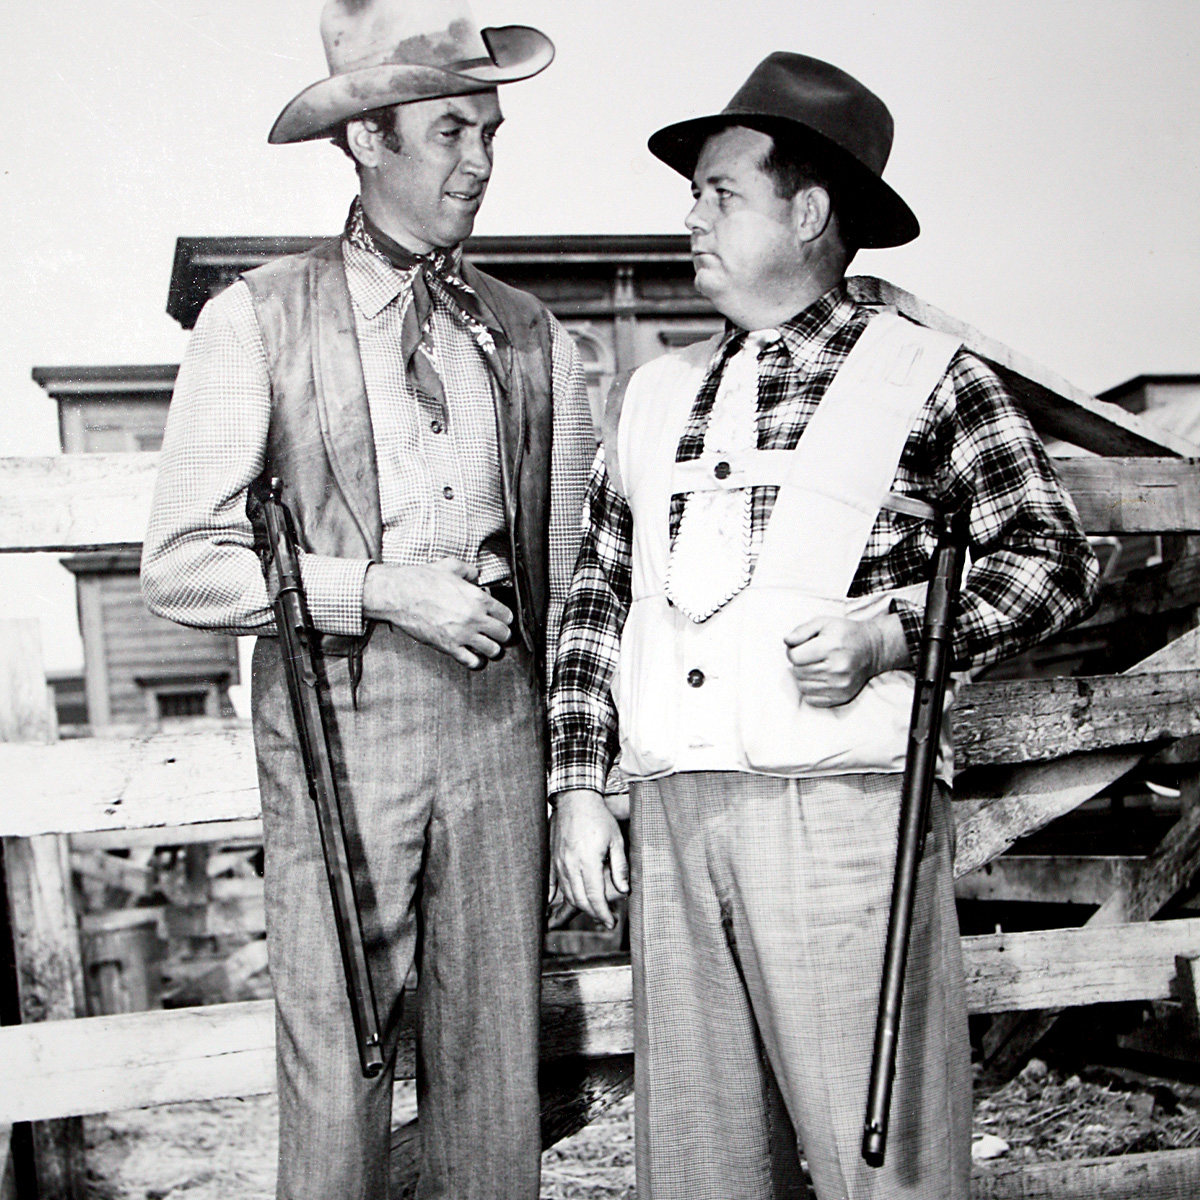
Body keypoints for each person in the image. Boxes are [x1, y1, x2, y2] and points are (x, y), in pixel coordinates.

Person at [547, 53, 1099, 1200]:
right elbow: (598, 596)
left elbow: (1049, 556)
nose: (691, 217)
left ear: (807, 215)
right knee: (702, 1165)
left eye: (720, 193)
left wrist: (898, 633)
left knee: (879, 1157)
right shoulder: (652, 395)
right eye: (694, 195)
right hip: (676, 818)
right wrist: (580, 788)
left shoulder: (926, 379)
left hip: (845, 817)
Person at [141, 2, 594, 1196]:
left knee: (494, 1055)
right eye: (450, 132)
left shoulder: (532, 337)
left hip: (501, 719)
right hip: (340, 723)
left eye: (490, 133)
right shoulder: (255, 319)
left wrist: (573, 771)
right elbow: (182, 564)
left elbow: (568, 580)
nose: (479, 162)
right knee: (339, 1051)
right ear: (366, 140)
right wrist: (381, 589)